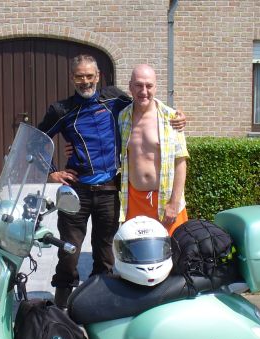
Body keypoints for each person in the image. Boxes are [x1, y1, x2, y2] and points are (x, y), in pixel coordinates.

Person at [37, 55, 185, 308]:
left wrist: (178, 117)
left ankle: (99, 303)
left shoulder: (115, 99)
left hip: (108, 190)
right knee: (69, 250)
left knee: (105, 252)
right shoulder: (61, 110)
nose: (85, 81)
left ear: (98, 77)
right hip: (76, 190)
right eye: (79, 76)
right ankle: (61, 304)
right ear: (72, 78)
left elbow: (145, 102)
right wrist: (53, 172)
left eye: (89, 76)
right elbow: (38, 139)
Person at [118, 64, 189, 235]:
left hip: (165, 202)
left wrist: (174, 203)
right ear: (130, 86)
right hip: (133, 201)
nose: (144, 91)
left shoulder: (171, 118)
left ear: (156, 87)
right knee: (137, 249)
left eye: (149, 86)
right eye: (138, 85)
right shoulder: (122, 117)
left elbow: (180, 163)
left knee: (173, 248)